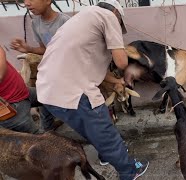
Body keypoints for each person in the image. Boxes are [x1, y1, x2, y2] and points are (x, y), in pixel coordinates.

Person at [35, 0, 149, 179]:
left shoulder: (80, 19)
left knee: (92, 129)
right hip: (75, 92)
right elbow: (121, 62)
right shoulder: (108, 16)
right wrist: (131, 68)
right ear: (116, 15)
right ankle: (129, 171)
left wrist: (115, 81)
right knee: (106, 133)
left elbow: (89, 67)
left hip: (48, 93)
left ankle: (105, 155)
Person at [10, 0, 70, 131]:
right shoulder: (35, 23)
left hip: (68, 74)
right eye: (25, 0)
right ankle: (48, 135)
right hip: (50, 73)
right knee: (44, 101)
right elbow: (45, 48)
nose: (27, 3)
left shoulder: (66, 22)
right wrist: (28, 48)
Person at [0, 46, 51, 133]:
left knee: (49, 98)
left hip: (22, 91)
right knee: (37, 140)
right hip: (10, 107)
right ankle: (47, 138)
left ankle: (48, 129)